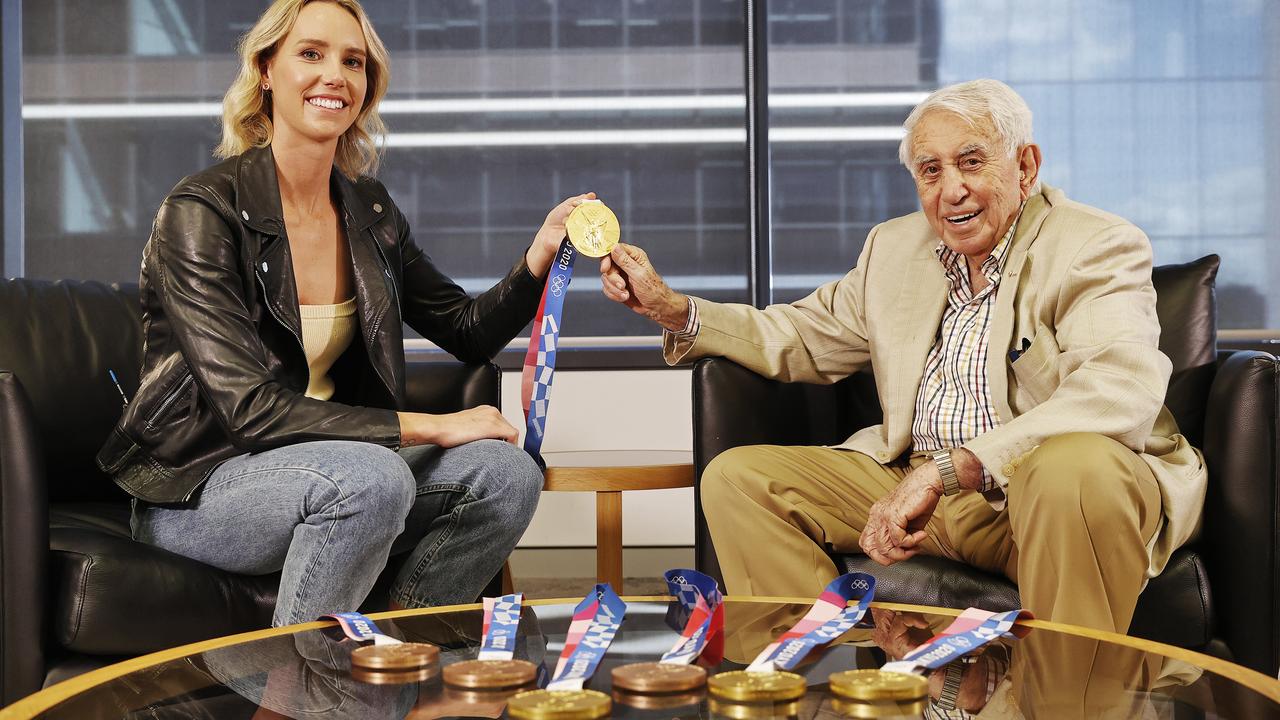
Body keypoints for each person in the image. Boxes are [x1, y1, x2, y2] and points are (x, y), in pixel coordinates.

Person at [599, 79, 1206, 635]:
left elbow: (1116, 389)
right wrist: (672, 309)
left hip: (1035, 495)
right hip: (917, 488)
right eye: (930, 170)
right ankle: (837, 682)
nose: (952, 189)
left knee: (1075, 467)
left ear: (1026, 166)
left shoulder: (1095, 244)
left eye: (972, 162)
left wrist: (951, 469)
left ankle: (1066, 695)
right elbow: (802, 333)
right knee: (741, 479)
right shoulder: (893, 247)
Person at [95, 0, 591, 626]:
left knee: (506, 474)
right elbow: (248, 411)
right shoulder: (203, 211)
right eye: (311, 54)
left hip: (338, 462)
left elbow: (467, 331)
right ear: (266, 71)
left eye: (352, 62)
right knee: (371, 479)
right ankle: (301, 693)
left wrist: (539, 258)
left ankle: (409, 661)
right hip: (201, 483)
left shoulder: (370, 214)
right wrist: (432, 426)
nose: (336, 75)